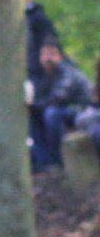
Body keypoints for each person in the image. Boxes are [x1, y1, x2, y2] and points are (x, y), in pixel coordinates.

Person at [28, 42, 92, 171]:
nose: (47, 58)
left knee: (51, 113)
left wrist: (34, 105)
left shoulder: (66, 70)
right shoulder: (45, 75)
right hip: (61, 109)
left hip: (80, 109)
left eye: (51, 54)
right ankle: (44, 161)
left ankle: (58, 158)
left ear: (60, 56)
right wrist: (32, 107)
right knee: (33, 116)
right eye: (44, 54)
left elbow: (58, 97)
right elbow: (42, 98)